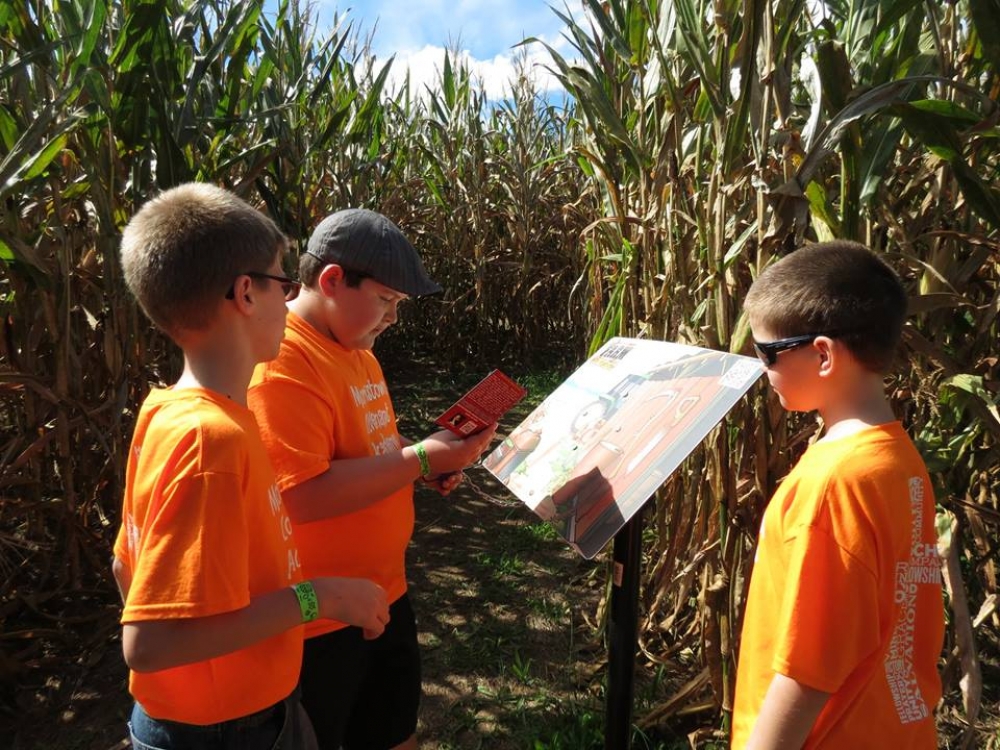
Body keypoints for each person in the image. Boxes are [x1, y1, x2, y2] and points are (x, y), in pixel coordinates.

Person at [111, 184, 390, 750]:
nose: (291, 301)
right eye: (284, 283)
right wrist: (321, 598)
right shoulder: (209, 441)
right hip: (226, 730)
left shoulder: (165, 411)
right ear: (245, 293)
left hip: (218, 716)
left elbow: (126, 569)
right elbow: (150, 642)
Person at [247, 208, 497, 750]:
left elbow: (369, 451)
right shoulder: (283, 359)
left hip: (385, 591)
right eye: (385, 301)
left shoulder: (356, 351)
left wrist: (425, 463)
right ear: (333, 280)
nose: (392, 318)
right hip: (320, 621)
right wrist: (420, 461)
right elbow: (301, 495)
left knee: (392, 730)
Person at [731, 240, 944, 748]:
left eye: (767, 352)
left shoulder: (834, 484)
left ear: (823, 354)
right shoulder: (898, 459)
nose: (762, 368)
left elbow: (806, 673)